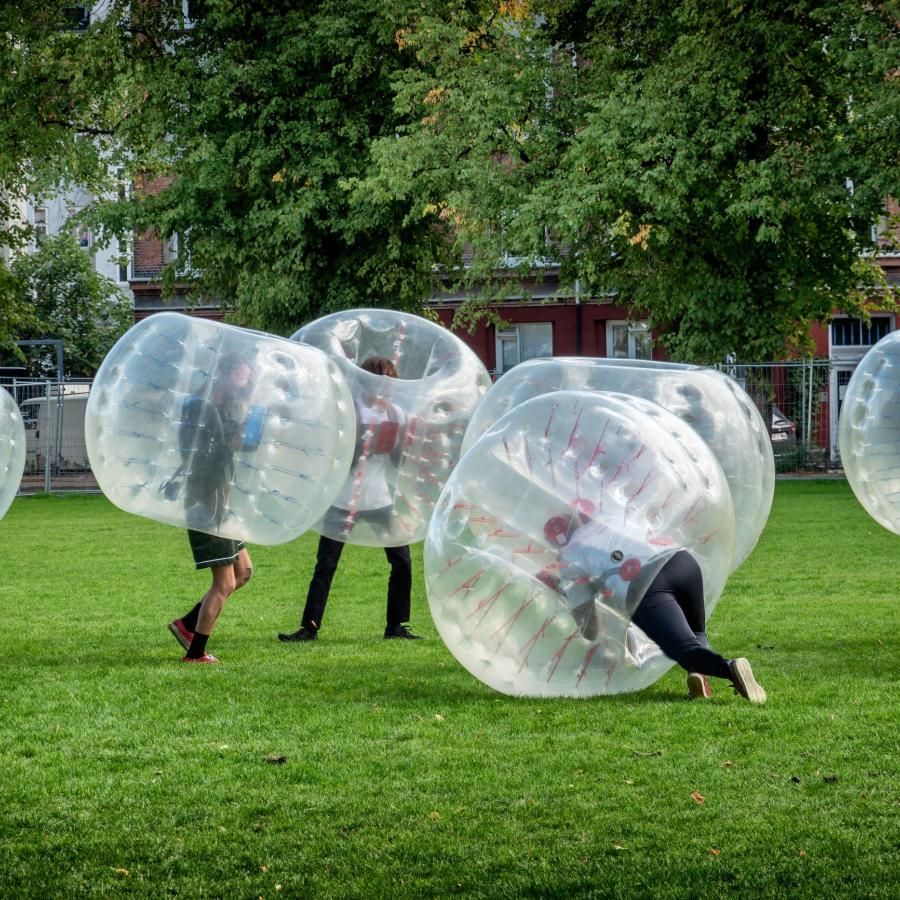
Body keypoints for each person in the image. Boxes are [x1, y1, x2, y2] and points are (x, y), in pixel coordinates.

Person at [540, 511, 766, 703]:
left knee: (684, 649)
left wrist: (563, 591)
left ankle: (730, 668)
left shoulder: (570, 557)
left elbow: (588, 627)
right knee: (696, 631)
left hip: (645, 586)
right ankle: (697, 673)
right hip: (682, 561)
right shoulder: (610, 517)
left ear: (554, 544)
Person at [278, 356, 420, 643]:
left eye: (392, 383)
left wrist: (403, 444)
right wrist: (360, 445)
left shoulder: (397, 413)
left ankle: (396, 626)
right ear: (370, 381)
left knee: (402, 561)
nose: (388, 388)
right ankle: (310, 626)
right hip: (344, 499)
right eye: (384, 382)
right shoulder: (348, 411)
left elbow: (398, 460)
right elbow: (331, 452)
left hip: (379, 499)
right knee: (326, 564)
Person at [168, 351, 257, 663]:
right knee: (225, 581)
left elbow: (227, 447)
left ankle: (187, 624)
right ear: (226, 374)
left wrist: (241, 435)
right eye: (244, 376)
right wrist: (229, 443)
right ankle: (196, 653)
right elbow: (197, 458)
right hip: (207, 501)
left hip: (221, 501)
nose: (247, 383)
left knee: (243, 571)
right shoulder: (200, 407)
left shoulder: (220, 407)